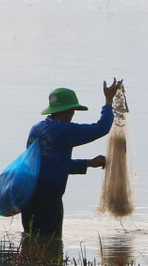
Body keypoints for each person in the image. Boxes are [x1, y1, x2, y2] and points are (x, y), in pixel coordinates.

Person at [20, 79, 122, 238]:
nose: (72, 115)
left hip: (28, 198)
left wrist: (88, 163)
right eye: (73, 110)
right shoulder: (63, 130)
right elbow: (102, 128)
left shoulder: (37, 129)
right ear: (67, 111)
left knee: (31, 241)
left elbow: (50, 166)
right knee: (50, 243)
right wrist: (108, 101)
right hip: (49, 202)